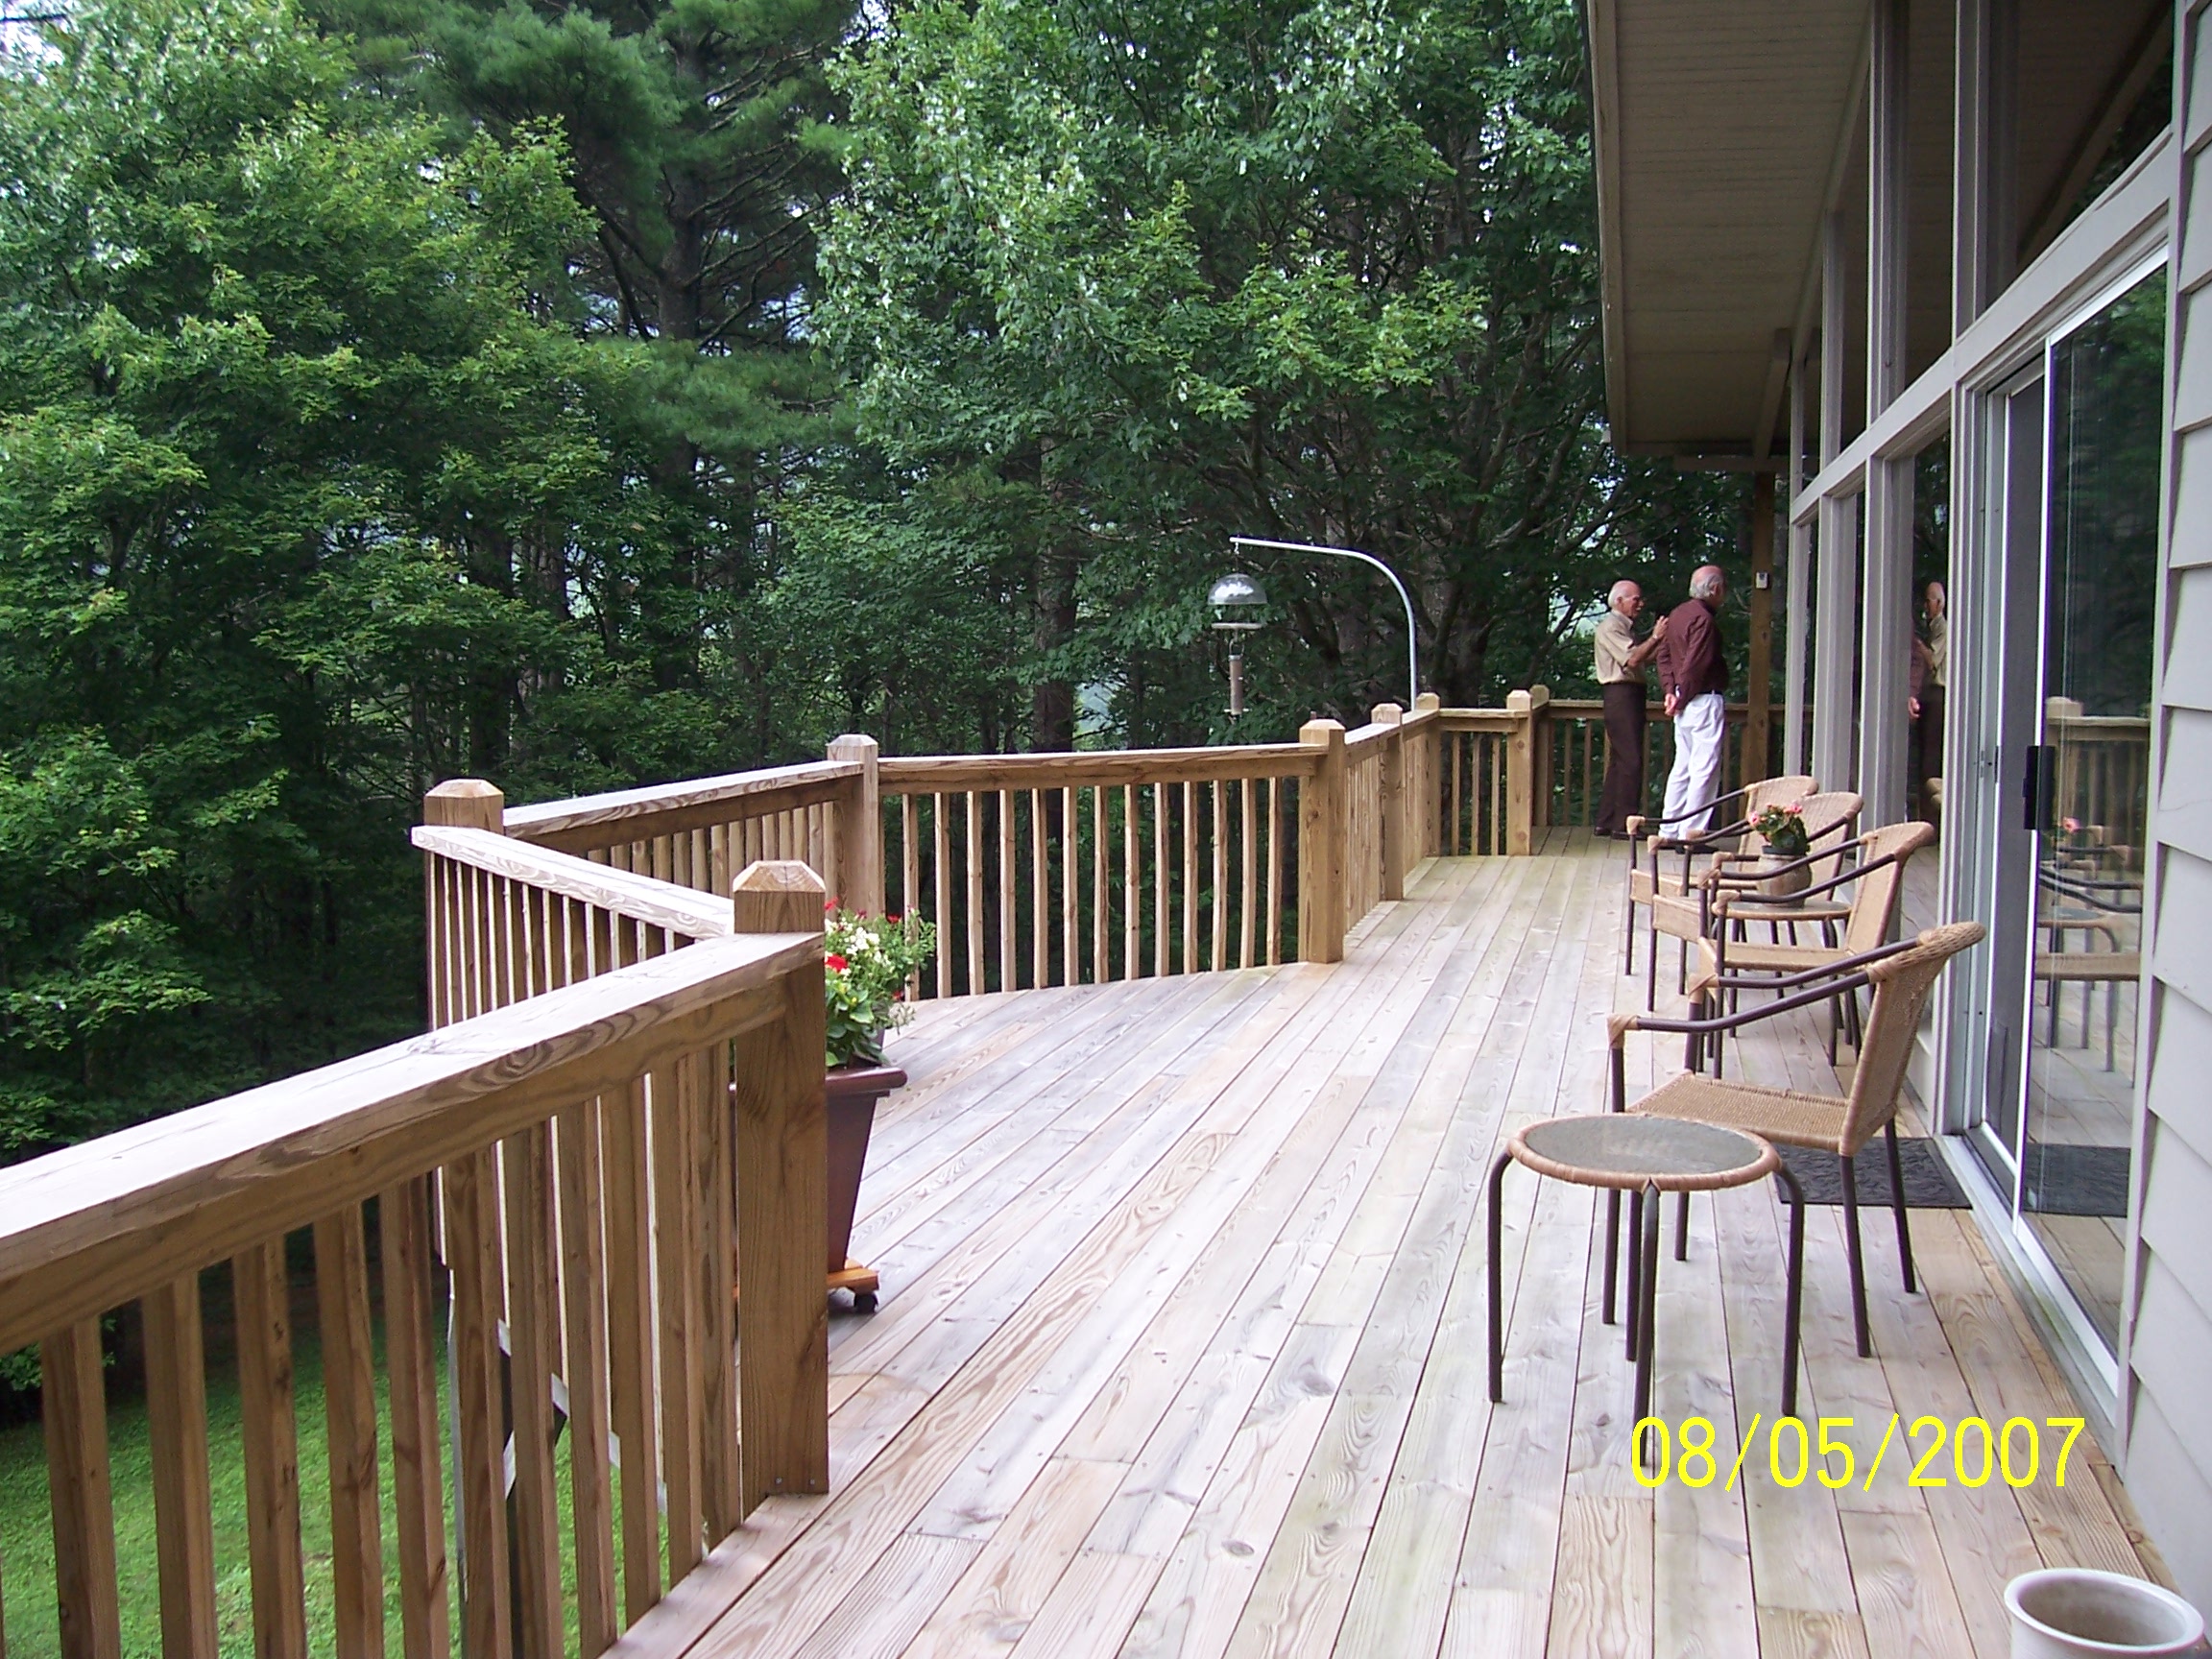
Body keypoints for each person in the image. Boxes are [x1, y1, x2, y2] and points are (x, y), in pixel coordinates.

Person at [1655, 565, 1730, 835]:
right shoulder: (1704, 620)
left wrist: (1670, 691)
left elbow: (1663, 656)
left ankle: (1669, 829)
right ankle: (1691, 834)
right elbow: (1694, 665)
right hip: (1702, 700)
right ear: (1716, 589)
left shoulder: (1678, 614)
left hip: (1683, 701)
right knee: (1704, 769)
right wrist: (1681, 696)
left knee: (1682, 767)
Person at [1593, 580, 1667, 837]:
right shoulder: (1611, 626)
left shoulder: (1624, 628)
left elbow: (1641, 656)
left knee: (1621, 759)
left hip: (1628, 695)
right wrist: (1655, 636)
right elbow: (1633, 659)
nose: (1640, 604)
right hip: (1621, 694)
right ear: (1619, 601)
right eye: (1635, 599)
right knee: (1631, 760)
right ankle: (1625, 824)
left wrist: (1662, 643)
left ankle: (1606, 820)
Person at [1910, 580, 1947, 821]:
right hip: (1927, 695)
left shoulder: (1943, 628)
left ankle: (1931, 816)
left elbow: (1933, 660)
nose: (1926, 606)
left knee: (1930, 759)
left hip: (1937, 695)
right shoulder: (1931, 627)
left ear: (1939, 603)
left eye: (1929, 601)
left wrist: (1917, 645)